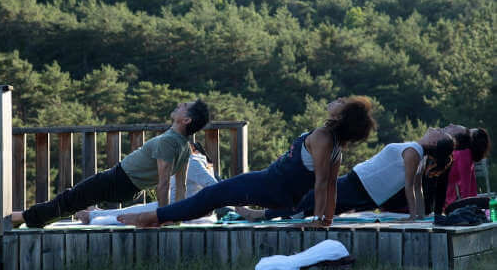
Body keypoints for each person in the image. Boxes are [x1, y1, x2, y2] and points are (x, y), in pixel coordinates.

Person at [117, 96, 377, 228]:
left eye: (342, 102)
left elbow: (323, 184)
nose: (337, 100)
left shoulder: (323, 138)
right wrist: (326, 219)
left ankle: (153, 217)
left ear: (341, 115)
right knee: (214, 196)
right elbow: (328, 185)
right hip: (275, 188)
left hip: (271, 186)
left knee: (211, 195)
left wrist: (320, 220)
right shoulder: (333, 145)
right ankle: (158, 217)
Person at [12, 100, 210, 228]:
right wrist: (177, 217)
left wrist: (165, 217)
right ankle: (33, 219)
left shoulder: (170, 142)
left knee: (69, 199)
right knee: (72, 202)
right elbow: (181, 187)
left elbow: (164, 183)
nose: (180, 103)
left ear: (186, 119)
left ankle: (19, 218)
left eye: (185, 105)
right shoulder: (184, 146)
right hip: (124, 182)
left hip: (118, 180)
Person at [235, 128, 455, 223]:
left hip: (361, 186)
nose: (435, 128)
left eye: (438, 132)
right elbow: (416, 188)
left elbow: (411, 187)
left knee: (310, 197)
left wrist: (414, 218)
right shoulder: (418, 154)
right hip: (363, 187)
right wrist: (418, 216)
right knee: (312, 201)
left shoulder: (414, 152)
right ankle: (277, 213)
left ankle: (259, 214)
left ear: (435, 142)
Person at [74, 141, 218, 224]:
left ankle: (91, 216)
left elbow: (214, 186)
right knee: (135, 209)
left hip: (177, 209)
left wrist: (206, 209)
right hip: (174, 206)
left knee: (133, 213)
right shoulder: (191, 162)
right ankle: (98, 214)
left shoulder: (192, 163)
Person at [423, 125, 491, 214]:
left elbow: (466, 189)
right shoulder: (456, 153)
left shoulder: (464, 153)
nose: (451, 124)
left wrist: (467, 209)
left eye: (469, 131)